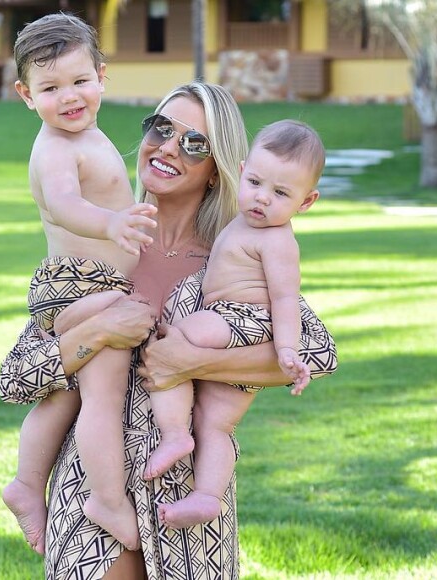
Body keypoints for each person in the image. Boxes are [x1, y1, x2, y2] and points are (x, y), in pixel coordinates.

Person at [0, 81, 337, 579]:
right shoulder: (104, 247)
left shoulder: (235, 258)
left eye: (194, 142)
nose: (169, 147)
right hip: (93, 491)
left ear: (221, 168)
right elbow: (17, 378)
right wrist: (104, 329)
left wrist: (192, 361)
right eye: (161, 128)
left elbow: (316, 354)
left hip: (186, 502)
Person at [1, 12, 158, 556]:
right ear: (26, 94)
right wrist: (111, 223)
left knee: (64, 395)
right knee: (103, 391)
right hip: (82, 286)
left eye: (79, 81)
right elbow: (67, 205)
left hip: (89, 284)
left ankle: (26, 481)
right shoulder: (55, 149)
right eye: (50, 87)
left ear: (102, 77)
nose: (68, 96)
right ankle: (107, 499)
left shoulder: (86, 133)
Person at [143, 119, 326, 529]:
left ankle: (173, 433)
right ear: (241, 173)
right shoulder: (239, 220)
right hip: (230, 331)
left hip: (240, 321)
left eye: (281, 193)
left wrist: (287, 351)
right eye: (256, 183)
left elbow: (284, 299)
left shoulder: (277, 240)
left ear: (307, 200)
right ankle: (208, 496)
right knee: (216, 423)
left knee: (177, 336)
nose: (262, 199)